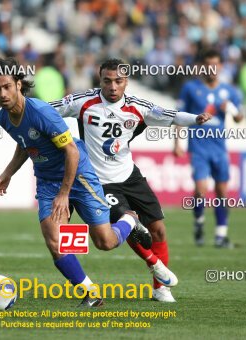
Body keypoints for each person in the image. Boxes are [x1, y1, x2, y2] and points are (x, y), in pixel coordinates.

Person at [0, 57, 152, 307]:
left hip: (78, 176)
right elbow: (27, 144)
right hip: (48, 181)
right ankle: (89, 293)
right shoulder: (3, 119)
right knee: (55, 240)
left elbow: (72, 151)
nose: (2, 93)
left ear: (19, 84)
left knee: (104, 242)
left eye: (7, 86)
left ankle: (129, 219)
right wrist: (8, 173)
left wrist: (64, 193)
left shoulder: (40, 112)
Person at [48, 58, 212, 302]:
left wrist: (195, 119)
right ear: (100, 80)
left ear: (126, 82)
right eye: (107, 81)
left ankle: (160, 288)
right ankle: (153, 262)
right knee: (128, 226)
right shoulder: (83, 102)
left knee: (158, 230)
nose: (113, 87)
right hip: (97, 181)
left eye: (118, 81)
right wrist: (11, 103)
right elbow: (45, 108)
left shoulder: (138, 106)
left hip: (129, 175)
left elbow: (169, 115)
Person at [173, 48, 244, 248]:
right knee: (201, 190)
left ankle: (221, 236)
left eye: (215, 64)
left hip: (219, 149)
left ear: (221, 66)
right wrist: (177, 142)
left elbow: (239, 119)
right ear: (202, 66)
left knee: (222, 192)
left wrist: (231, 109)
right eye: (208, 64)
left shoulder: (229, 91)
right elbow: (179, 116)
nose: (212, 68)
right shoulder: (190, 88)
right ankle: (199, 222)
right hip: (198, 148)